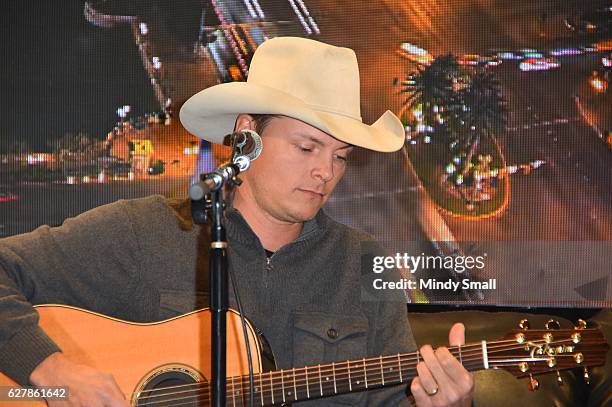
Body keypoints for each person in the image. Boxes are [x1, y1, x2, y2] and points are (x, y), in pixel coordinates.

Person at [0, 37, 473, 406]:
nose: (325, 172)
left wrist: (446, 405)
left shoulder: (366, 262)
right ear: (247, 135)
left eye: (341, 156)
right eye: (307, 148)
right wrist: (53, 371)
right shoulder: (143, 233)